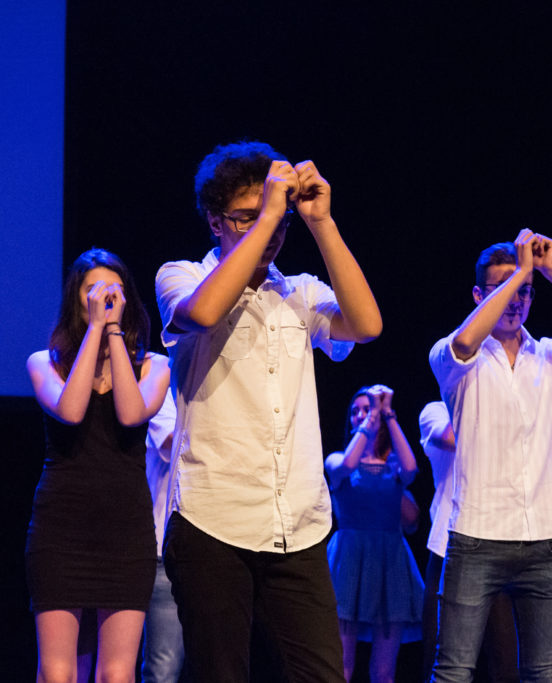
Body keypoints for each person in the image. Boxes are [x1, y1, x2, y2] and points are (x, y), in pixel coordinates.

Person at [155, 140, 381, 682]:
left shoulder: (300, 292)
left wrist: (319, 222)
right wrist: (272, 214)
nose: (270, 232)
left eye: (278, 221)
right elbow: (206, 312)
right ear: (215, 221)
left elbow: (367, 325)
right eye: (247, 218)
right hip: (213, 521)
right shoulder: (181, 276)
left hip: (296, 526)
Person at [428, 229, 552, 682]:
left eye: (526, 292)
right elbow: (464, 345)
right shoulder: (453, 354)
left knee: (544, 674)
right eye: (503, 289)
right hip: (476, 536)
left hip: (546, 540)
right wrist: (521, 273)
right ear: (478, 294)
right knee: (454, 671)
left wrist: (549, 270)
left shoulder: (549, 356)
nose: (516, 300)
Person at [26, 248, 171, 683]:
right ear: (77, 300)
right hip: (60, 528)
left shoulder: (154, 366)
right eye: (94, 291)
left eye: (114, 291)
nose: (105, 299)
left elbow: (130, 414)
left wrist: (112, 334)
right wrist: (94, 329)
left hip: (125, 532)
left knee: (117, 673)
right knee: (57, 673)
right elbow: (71, 410)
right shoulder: (45, 363)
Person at [325, 385, 425, 683]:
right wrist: (371, 421)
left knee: (384, 671)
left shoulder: (393, 466)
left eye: (366, 410)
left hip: (389, 564)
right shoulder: (337, 461)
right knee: (341, 665)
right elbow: (348, 464)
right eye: (355, 412)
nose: (360, 416)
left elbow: (411, 468)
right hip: (349, 563)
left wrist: (389, 414)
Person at [418, 400, 519, 683]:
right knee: (441, 659)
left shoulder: (504, 405)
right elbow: (449, 437)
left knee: (506, 660)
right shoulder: (436, 410)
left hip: (498, 545)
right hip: (448, 550)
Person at [140, 390, 184, 683]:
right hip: (166, 553)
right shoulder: (165, 392)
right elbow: (173, 442)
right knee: (163, 669)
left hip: (224, 545)